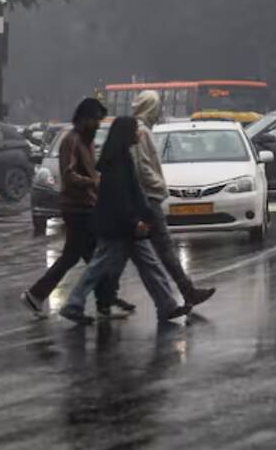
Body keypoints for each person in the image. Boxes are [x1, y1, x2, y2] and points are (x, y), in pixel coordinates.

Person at [59, 117, 190, 325]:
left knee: (148, 265)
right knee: (100, 267)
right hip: (118, 227)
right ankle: (73, 304)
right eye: (135, 130)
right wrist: (136, 220)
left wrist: (144, 216)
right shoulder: (116, 162)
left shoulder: (122, 157)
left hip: (126, 226)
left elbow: (134, 193)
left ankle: (167, 306)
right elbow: (121, 197)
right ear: (126, 133)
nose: (139, 133)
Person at [21, 98, 134, 320]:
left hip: (86, 206)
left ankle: (42, 296)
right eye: (94, 120)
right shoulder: (71, 140)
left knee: (88, 258)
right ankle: (97, 301)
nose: (97, 124)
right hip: (77, 209)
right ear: (84, 119)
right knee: (95, 258)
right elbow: (69, 175)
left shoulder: (87, 141)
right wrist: (93, 182)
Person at [131, 90, 215, 307]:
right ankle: (187, 292)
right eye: (157, 107)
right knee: (164, 248)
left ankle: (102, 296)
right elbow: (142, 167)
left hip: (141, 198)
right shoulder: (142, 132)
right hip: (148, 198)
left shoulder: (140, 130)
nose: (160, 112)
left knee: (123, 255)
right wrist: (158, 185)